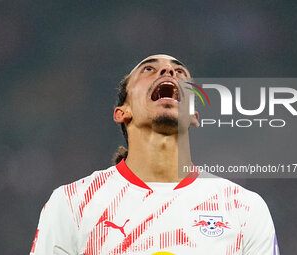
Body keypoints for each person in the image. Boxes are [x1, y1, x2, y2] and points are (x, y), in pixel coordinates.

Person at [30, 54, 279, 255]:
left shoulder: (243, 207)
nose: (169, 72)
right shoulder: (73, 204)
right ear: (122, 112)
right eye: (149, 69)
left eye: (180, 71)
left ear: (194, 115)